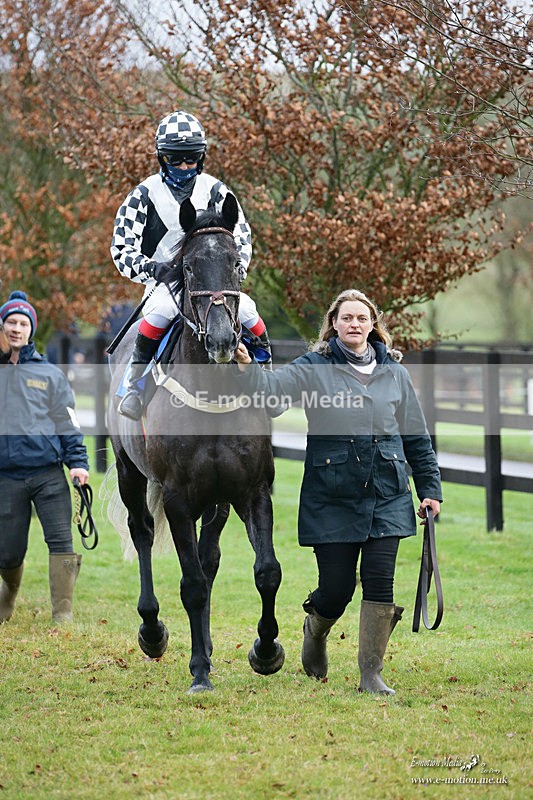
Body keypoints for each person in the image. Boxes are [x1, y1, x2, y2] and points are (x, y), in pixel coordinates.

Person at [234, 289, 442, 695]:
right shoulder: (314, 367)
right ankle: (315, 628)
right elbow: (273, 394)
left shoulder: (394, 373)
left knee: (380, 583)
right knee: (337, 589)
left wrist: (430, 489)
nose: (354, 324)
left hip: (387, 494)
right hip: (331, 497)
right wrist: (247, 369)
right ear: (334, 323)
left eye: (361, 318)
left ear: (372, 324)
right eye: (346, 317)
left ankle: (371, 674)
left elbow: (417, 438)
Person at [111, 109, 273, 420]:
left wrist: (234, 272)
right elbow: (121, 248)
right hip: (164, 284)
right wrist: (151, 269)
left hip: (215, 283)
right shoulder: (142, 195)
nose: (184, 166)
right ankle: (134, 387)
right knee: (159, 313)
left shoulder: (217, 190)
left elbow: (242, 238)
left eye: (191, 158)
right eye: (175, 159)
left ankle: (267, 380)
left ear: (202, 156)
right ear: (162, 158)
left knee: (250, 314)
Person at [0, 291, 89, 624]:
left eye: (23, 323)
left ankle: (62, 613)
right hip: (6, 476)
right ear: (2, 327)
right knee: (7, 552)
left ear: (31, 330)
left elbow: (67, 421)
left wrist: (77, 463)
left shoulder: (50, 374)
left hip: (48, 474)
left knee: (61, 541)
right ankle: (8, 593)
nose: (16, 328)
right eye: (11, 322)